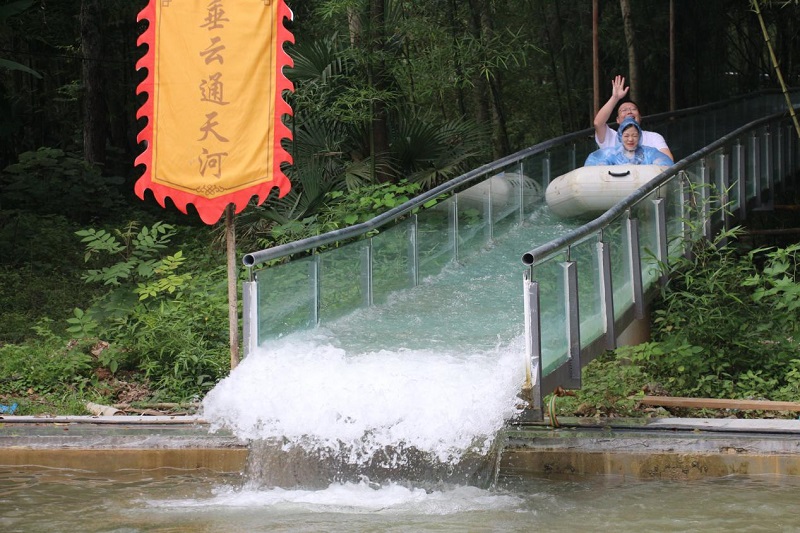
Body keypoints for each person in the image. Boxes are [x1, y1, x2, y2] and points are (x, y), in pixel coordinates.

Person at [593, 75, 674, 161]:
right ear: (617, 120)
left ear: (640, 117)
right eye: (624, 110)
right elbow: (598, 123)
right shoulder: (611, 137)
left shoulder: (654, 137)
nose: (629, 112)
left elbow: (668, 160)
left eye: (633, 109)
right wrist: (615, 98)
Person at [584, 117, 674, 166]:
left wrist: (656, 164)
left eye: (634, 135)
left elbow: (665, 162)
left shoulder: (649, 152)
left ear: (639, 136)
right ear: (620, 136)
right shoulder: (612, 153)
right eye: (626, 136)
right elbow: (593, 161)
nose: (630, 139)